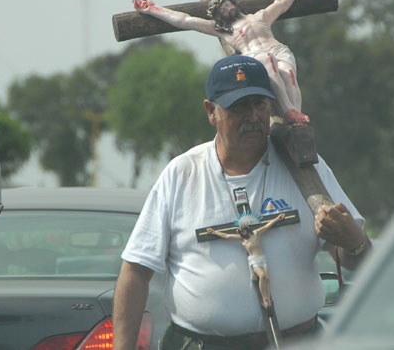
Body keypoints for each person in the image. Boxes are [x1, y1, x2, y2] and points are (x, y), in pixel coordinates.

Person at [113, 55, 371, 350]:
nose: (252, 117)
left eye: (259, 104)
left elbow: (357, 257)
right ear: (211, 111)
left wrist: (355, 242)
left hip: (298, 341)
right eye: (238, 107)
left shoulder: (306, 168)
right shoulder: (182, 173)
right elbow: (135, 271)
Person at [132, 0, 312, 126]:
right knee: (267, 60)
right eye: (221, 9)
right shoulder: (223, 30)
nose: (225, 8)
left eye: (226, 4)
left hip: (278, 49)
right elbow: (184, 20)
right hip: (256, 56)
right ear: (218, 16)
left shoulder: (260, 16)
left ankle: (297, 118)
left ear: (233, 3)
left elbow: (282, 3)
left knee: (287, 73)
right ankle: (289, 110)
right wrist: (153, 9)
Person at [207, 212, 286, 309]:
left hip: (262, 258)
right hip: (254, 260)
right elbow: (227, 236)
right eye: (241, 231)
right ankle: (265, 298)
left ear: (247, 229)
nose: (243, 232)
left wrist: (278, 218)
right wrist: (214, 232)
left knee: (267, 279)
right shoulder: (242, 239)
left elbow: (267, 226)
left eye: (244, 230)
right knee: (262, 276)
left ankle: (268, 299)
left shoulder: (256, 233)